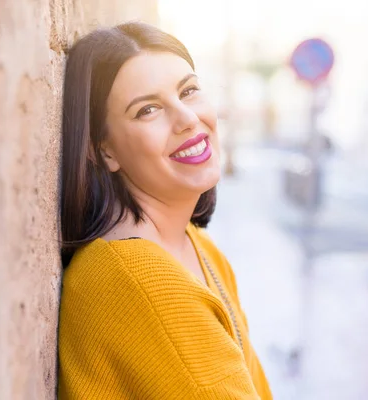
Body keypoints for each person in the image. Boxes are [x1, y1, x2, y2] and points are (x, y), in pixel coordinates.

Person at [58, 21, 272, 399]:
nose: (187, 119)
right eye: (148, 110)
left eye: (188, 91)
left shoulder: (200, 248)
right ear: (103, 149)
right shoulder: (136, 280)